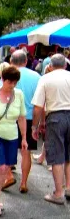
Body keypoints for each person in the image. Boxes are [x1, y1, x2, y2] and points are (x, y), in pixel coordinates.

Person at [0, 66, 27, 216]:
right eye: (10, 82)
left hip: (12, 135)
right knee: (1, 167)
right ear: (3, 80)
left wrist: (24, 138)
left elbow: (22, 117)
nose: (12, 85)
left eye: (15, 82)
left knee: (7, 167)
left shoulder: (19, 95)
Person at [31, 54, 70, 204]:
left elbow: (38, 107)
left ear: (50, 65)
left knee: (56, 155)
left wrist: (35, 125)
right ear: (65, 65)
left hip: (55, 117)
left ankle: (58, 193)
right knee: (69, 156)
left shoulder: (45, 79)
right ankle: (68, 188)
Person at [1, 50, 40, 193]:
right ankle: (23, 183)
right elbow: (40, 101)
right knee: (26, 151)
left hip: (10, 117)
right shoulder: (36, 76)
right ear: (26, 61)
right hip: (29, 117)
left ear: (11, 60)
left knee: (5, 147)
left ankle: (9, 175)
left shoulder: (7, 74)